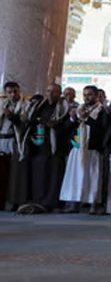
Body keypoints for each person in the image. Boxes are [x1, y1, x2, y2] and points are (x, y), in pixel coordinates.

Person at [17, 84, 69, 213]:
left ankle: (51, 202)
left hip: (54, 147)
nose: (51, 94)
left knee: (53, 175)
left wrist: (56, 125)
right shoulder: (38, 106)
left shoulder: (64, 108)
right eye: (49, 91)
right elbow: (28, 121)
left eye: (54, 92)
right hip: (37, 145)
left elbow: (68, 126)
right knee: (37, 174)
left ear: (60, 93)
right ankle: (36, 200)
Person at [59, 86, 108, 214]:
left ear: (97, 96)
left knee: (92, 177)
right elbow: (66, 128)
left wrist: (88, 118)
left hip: (92, 149)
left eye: (90, 95)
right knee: (76, 177)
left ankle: (93, 204)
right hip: (77, 147)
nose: (87, 98)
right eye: (85, 95)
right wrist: (73, 118)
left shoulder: (101, 111)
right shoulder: (78, 109)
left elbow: (102, 129)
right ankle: (74, 203)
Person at [1, 81, 27, 210]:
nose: (12, 95)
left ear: (19, 91)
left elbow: (25, 124)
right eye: (9, 92)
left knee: (14, 173)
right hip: (1, 139)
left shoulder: (25, 105)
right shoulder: (2, 104)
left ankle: (12, 201)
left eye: (15, 92)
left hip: (14, 140)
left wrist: (13, 117)